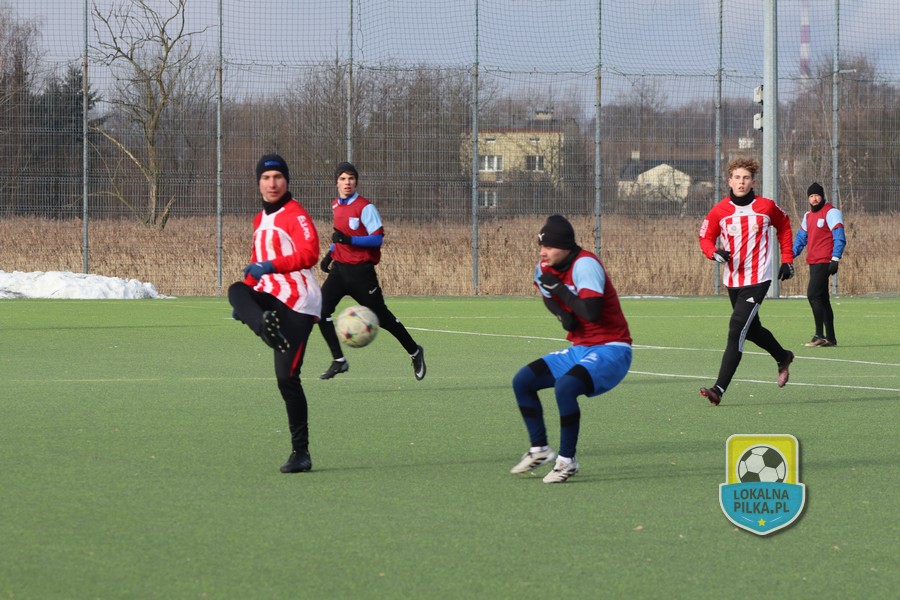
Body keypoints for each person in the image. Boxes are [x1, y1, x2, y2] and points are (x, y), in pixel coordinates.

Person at [510, 215, 632, 483]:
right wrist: (561, 314)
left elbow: (591, 312)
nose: (543, 252)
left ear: (565, 246)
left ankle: (567, 461)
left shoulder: (585, 264)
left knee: (566, 387)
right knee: (523, 380)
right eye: (541, 246)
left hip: (613, 348)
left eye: (549, 247)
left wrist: (561, 292)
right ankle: (539, 449)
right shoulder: (545, 267)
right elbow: (547, 295)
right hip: (582, 347)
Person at [228, 154, 322, 473]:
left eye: (278, 177)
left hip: (298, 301)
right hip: (271, 297)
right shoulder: (259, 219)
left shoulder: (295, 214)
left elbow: (310, 253)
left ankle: (301, 453)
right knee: (235, 290)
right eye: (266, 178)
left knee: (286, 379)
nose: (272, 183)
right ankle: (263, 325)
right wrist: (245, 307)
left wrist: (271, 266)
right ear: (258, 183)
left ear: (286, 181)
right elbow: (255, 265)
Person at [697, 157, 795, 406]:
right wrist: (714, 252)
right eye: (737, 178)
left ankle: (719, 388)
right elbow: (705, 237)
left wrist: (787, 259)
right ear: (729, 181)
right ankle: (783, 356)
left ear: (753, 182)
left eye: (746, 178)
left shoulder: (766, 207)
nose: (741, 182)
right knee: (751, 330)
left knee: (736, 328)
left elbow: (784, 226)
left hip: (759, 278)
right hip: (733, 279)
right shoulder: (719, 211)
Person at [317, 161, 426, 381]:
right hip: (339, 271)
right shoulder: (336, 206)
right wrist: (330, 253)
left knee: (382, 318)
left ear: (356, 181)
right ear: (336, 182)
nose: (347, 182)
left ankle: (415, 351)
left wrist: (349, 240)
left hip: (361, 274)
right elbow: (340, 235)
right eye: (343, 179)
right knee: (320, 312)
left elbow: (376, 239)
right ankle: (339, 360)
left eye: (351, 178)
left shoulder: (366, 208)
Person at [792, 182, 846, 347]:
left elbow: (839, 237)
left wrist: (835, 258)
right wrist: (789, 256)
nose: (814, 199)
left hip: (825, 261)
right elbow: (801, 239)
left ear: (822, 196)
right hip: (813, 261)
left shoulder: (831, 212)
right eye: (811, 196)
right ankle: (830, 338)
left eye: (817, 195)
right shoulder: (808, 216)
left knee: (813, 295)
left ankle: (819, 336)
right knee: (823, 299)